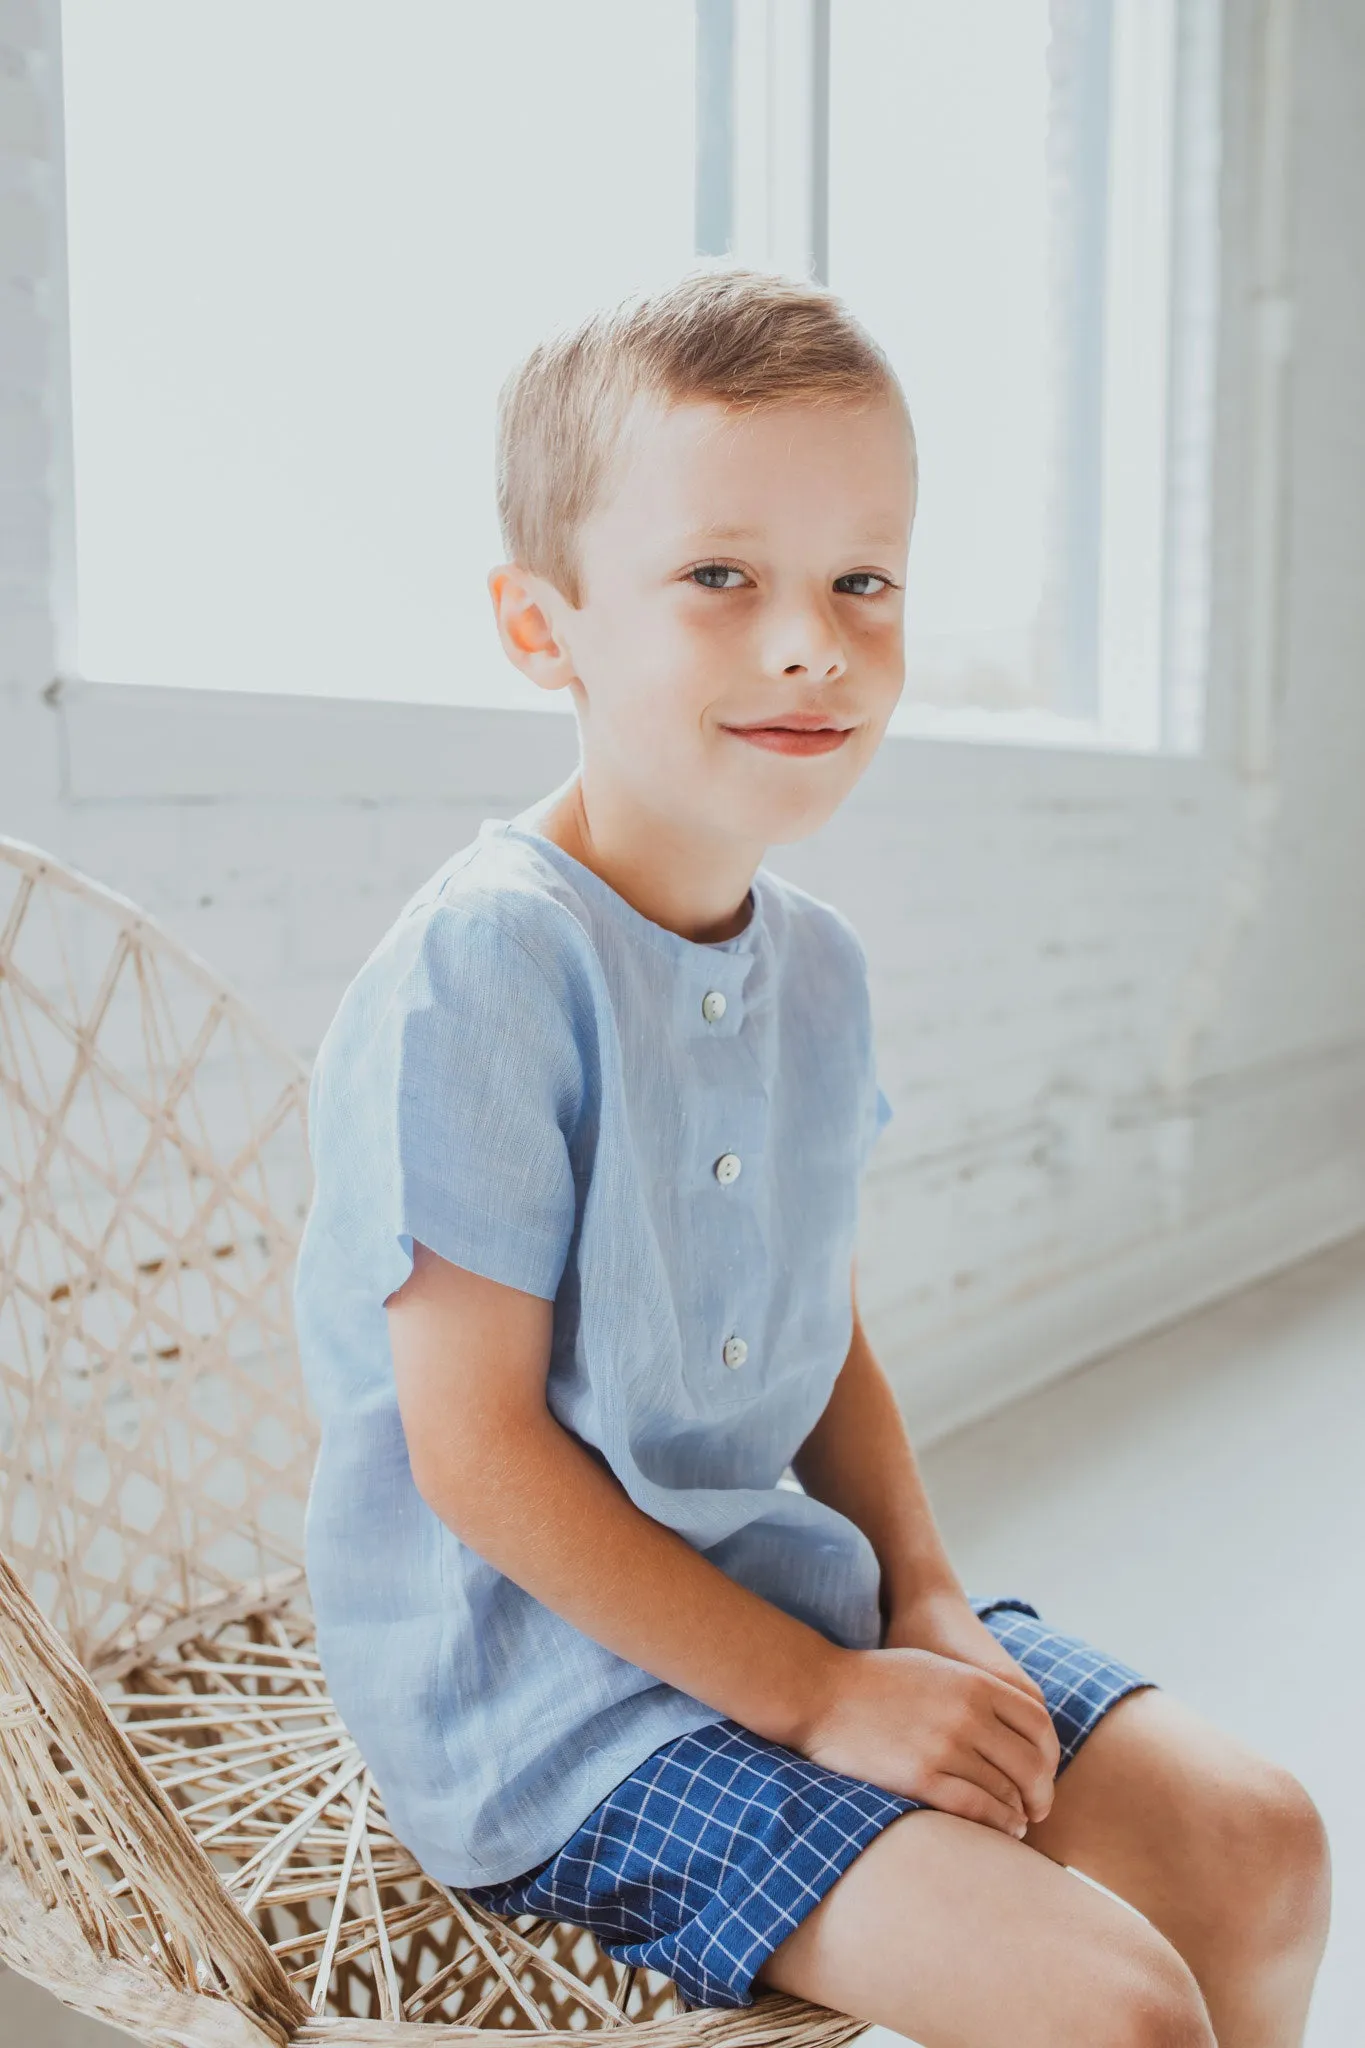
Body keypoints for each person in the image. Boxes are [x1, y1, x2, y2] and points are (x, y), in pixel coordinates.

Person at [293, 268, 1330, 2047]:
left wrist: (922, 1597)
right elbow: (473, 1459)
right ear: (544, 628)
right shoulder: (491, 967)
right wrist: (828, 1701)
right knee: (1116, 2008)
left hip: (783, 1594)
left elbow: (814, 1323)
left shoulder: (819, 971)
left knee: (1261, 1848)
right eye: (722, 579)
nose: (811, 643)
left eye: (864, 580)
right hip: (555, 1698)